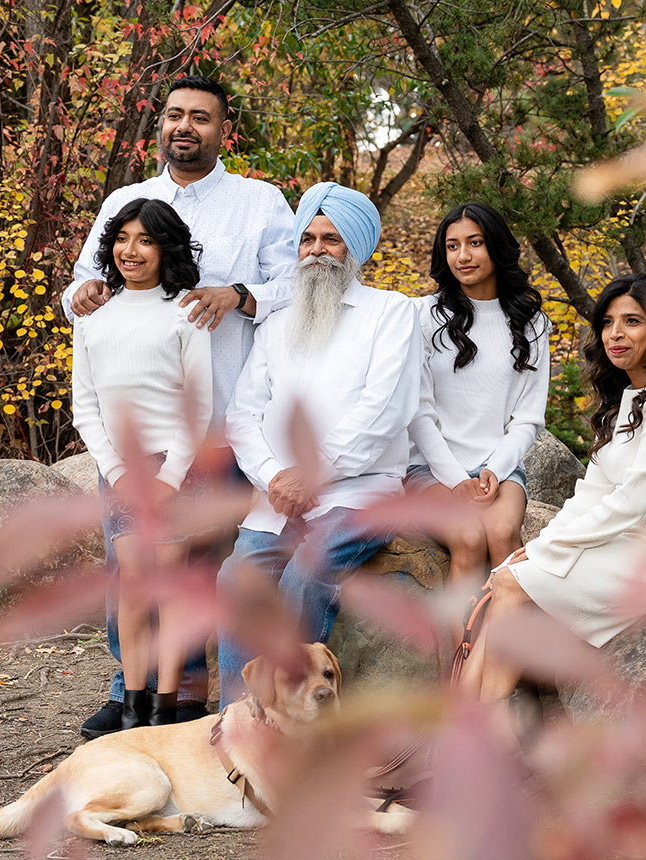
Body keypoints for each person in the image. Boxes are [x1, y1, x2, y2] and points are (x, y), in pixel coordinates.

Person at [61, 75, 295, 738]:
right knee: (129, 564)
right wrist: (76, 298)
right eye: (173, 116)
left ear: (224, 130)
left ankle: (185, 694)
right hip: (134, 431)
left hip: (221, 422)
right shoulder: (127, 201)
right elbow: (86, 284)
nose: (184, 127)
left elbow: (296, 284)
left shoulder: (259, 203)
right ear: (157, 125)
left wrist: (238, 295)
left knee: (195, 564)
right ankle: (126, 688)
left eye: (199, 117)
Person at [459, 273, 646, 702]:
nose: (615, 334)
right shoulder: (631, 397)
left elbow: (630, 503)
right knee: (508, 580)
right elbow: (592, 490)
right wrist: (538, 545)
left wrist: (552, 550)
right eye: (607, 322)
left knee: (511, 585)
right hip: (633, 542)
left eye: (632, 322)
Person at [216, 181, 422, 707]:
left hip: (358, 491)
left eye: (331, 240)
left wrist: (314, 473)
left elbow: (385, 411)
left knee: (304, 577)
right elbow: (244, 413)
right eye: (307, 239)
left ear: (355, 247)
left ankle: (293, 723)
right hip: (279, 493)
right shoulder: (277, 321)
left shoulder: (391, 312)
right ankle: (237, 726)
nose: (315, 251)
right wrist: (274, 478)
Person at [70, 197, 212, 728]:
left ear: (165, 249)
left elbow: (199, 404)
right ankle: (131, 704)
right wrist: (119, 472)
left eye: (146, 240)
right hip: (120, 470)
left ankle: (165, 705)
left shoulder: (185, 315)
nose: (132, 250)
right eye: (124, 239)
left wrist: (171, 477)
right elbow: (85, 406)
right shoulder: (93, 320)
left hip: (177, 469)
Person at [406, 202, 550, 583]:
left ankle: (504, 643)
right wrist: (457, 479)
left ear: (496, 247)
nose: (463, 256)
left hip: (498, 471)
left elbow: (528, 418)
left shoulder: (532, 323)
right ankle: (464, 646)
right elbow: (417, 413)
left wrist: (494, 470)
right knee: (469, 538)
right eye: (452, 246)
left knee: (503, 536)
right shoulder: (423, 316)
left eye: (475, 243)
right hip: (431, 471)